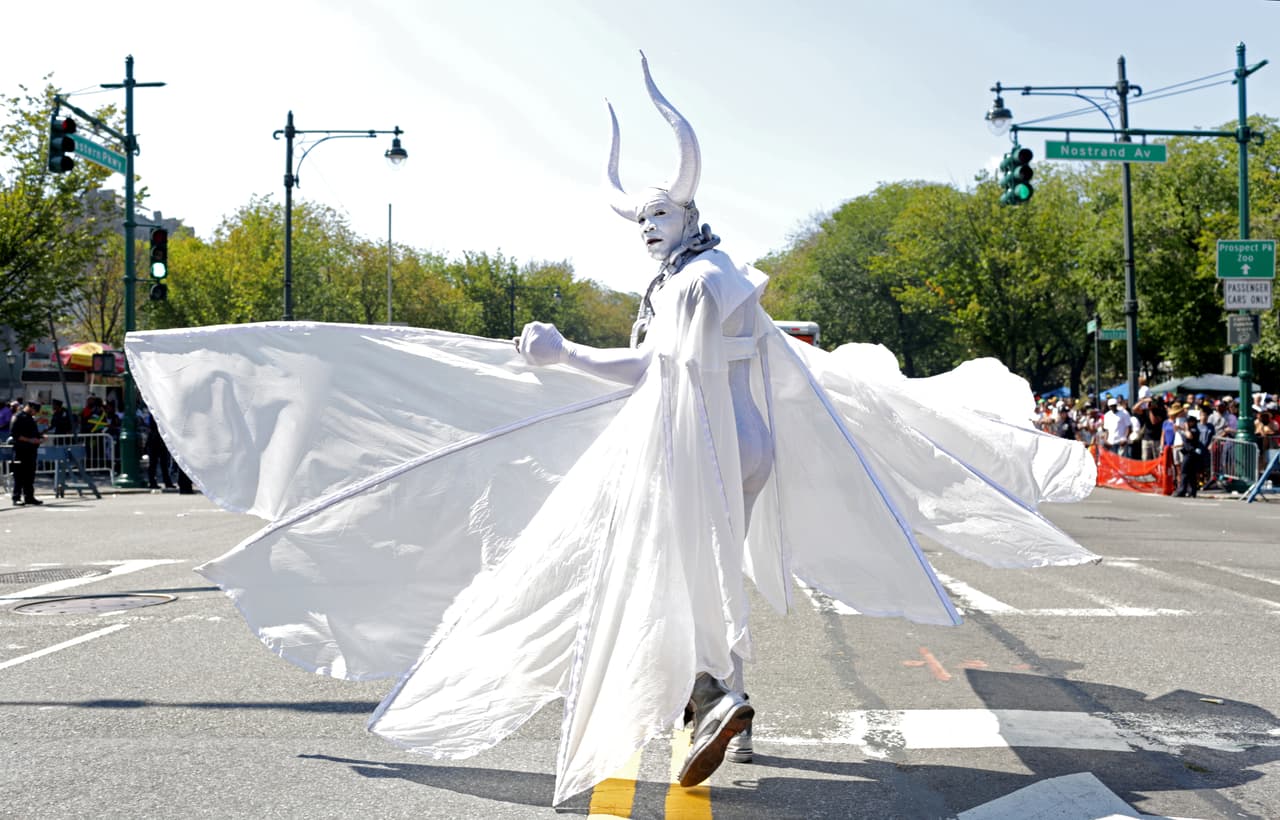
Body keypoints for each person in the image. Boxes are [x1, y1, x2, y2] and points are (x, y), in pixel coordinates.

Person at [125, 55, 1099, 805]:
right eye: (638, 215)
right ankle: (721, 706)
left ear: (690, 207)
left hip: (700, 448)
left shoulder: (700, 278)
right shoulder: (703, 276)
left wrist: (564, 357)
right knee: (692, 574)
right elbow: (678, 368)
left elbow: (658, 373)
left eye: (659, 210)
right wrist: (570, 360)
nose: (646, 224)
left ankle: (709, 697)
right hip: (726, 446)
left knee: (647, 576)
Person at [9, 400, 46, 506]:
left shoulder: (30, 418)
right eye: (35, 410)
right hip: (21, 450)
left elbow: (33, 433)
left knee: (30, 475)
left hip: (31, 451)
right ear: (29, 407)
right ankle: (16, 498)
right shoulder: (18, 417)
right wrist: (30, 440)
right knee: (19, 475)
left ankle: (29, 497)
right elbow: (15, 434)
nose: (35, 413)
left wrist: (40, 437)